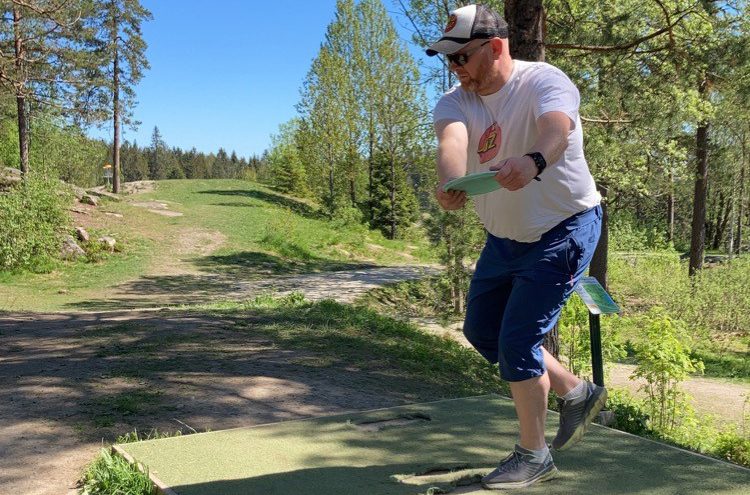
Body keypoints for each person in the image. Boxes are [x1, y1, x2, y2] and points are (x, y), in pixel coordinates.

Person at [427, 4, 607, 490]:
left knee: (516, 340)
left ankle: (534, 454)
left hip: (564, 228)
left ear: (496, 47)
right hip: (505, 239)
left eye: (462, 57)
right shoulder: (455, 99)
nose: (455, 69)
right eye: (449, 60)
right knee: (483, 330)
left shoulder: (545, 80)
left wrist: (533, 160)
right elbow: (451, 140)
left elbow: (556, 129)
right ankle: (576, 391)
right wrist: (450, 184)